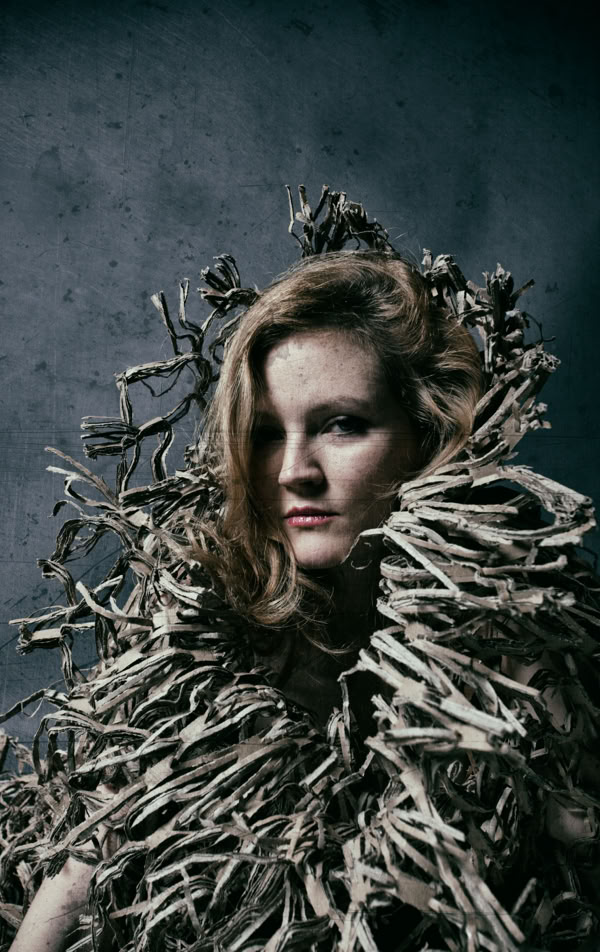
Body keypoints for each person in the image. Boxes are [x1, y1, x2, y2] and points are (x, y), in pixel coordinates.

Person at [2, 189, 598, 951]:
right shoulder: (194, 633)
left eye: (342, 425)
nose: (294, 472)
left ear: (425, 436)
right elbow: (79, 874)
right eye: (265, 433)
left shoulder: (523, 633)